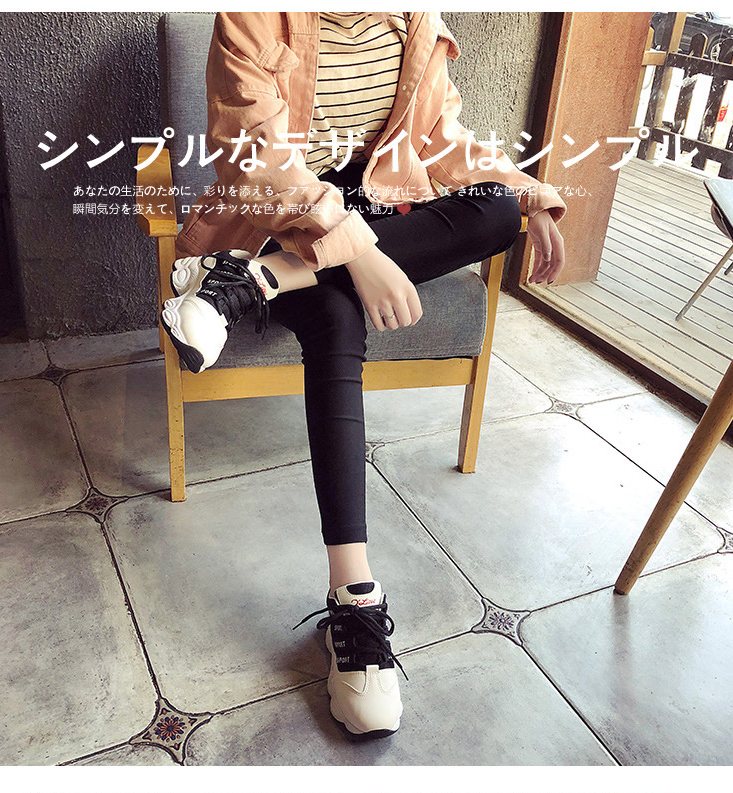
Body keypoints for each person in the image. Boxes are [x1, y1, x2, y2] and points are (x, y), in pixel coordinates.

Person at [163, 11, 567, 738]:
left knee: (496, 209)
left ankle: (248, 285)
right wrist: (359, 253)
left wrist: (530, 198)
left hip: (379, 215)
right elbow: (256, 159)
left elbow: (441, 141)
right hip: (276, 219)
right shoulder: (251, 18)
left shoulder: (415, 21)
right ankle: (353, 599)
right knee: (337, 315)